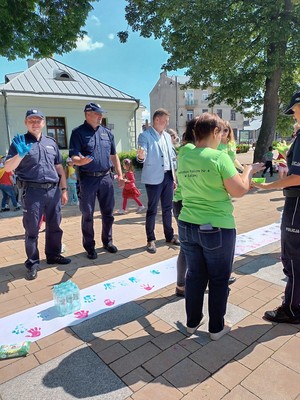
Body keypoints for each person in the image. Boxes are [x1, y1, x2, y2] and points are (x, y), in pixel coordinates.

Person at [177, 112, 264, 339]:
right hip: (216, 226)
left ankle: (192, 322)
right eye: (220, 132)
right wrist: (248, 171)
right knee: (218, 278)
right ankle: (216, 327)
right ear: (215, 132)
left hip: (187, 223)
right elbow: (239, 190)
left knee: (194, 275)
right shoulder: (218, 157)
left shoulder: (184, 156)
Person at [4, 109, 71, 280]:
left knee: (55, 226)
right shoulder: (19, 142)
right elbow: (8, 167)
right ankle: (33, 262)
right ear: (26, 123)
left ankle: (53, 254)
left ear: (43, 123)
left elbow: (59, 168)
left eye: (38, 120)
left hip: (53, 191)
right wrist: (20, 154)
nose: (35, 123)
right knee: (32, 229)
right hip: (32, 192)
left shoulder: (51, 142)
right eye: (31, 120)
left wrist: (64, 189)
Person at [252, 90, 300, 324]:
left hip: (297, 203)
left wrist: (269, 187)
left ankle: (292, 308)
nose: (293, 116)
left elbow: (297, 177)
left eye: (295, 111)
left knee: (293, 256)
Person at [69, 102, 124, 259]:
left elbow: (114, 156)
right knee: (88, 214)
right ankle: (89, 246)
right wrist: (80, 161)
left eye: (101, 114)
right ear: (88, 114)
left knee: (108, 213)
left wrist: (119, 175)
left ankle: (107, 241)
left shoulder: (107, 133)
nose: (101, 116)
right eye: (97, 114)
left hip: (106, 178)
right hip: (88, 179)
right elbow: (73, 155)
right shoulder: (77, 132)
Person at [137, 108, 179, 254]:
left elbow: (170, 157)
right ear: (156, 120)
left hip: (168, 176)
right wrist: (141, 156)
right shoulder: (145, 136)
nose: (167, 124)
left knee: (168, 208)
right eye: (165, 121)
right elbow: (142, 154)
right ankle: (150, 239)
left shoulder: (167, 136)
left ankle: (169, 236)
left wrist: (173, 178)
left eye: (167, 121)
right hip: (154, 178)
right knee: (152, 209)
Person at [172, 118, 197, 297]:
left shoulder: (187, 149)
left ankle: (182, 284)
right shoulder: (190, 150)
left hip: (182, 201)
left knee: (188, 245)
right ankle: (182, 285)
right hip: (183, 202)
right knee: (188, 246)